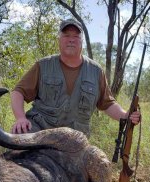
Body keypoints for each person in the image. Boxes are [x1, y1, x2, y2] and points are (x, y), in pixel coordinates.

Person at [10, 18, 140, 137]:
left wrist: (125, 115)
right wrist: (21, 118)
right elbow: (18, 92)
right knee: (18, 140)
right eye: (66, 35)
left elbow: (107, 104)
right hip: (39, 130)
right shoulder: (43, 65)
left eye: (76, 36)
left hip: (75, 139)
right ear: (59, 40)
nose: (71, 39)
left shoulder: (96, 71)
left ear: (81, 42)